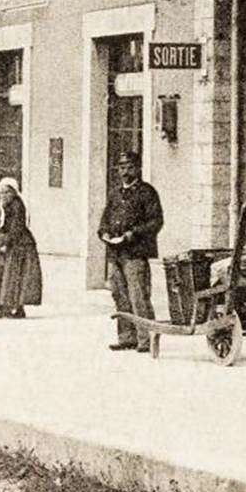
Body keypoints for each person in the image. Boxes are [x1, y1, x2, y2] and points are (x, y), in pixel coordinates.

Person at [98, 150, 162, 353]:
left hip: (135, 254)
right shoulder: (115, 194)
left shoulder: (147, 192)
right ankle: (126, 337)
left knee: (138, 296)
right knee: (119, 295)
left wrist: (132, 234)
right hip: (115, 254)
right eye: (122, 167)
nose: (125, 172)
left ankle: (146, 339)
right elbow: (105, 219)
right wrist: (104, 233)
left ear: (138, 168)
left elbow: (156, 222)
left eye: (129, 167)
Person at [0, 176, 44, 319]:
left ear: (14, 192)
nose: (4, 195)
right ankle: (0, 306)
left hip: (18, 244)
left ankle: (16, 307)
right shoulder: (4, 205)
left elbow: (16, 227)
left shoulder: (17, 205)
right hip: (5, 240)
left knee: (14, 275)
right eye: (1, 193)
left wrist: (6, 243)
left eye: (7, 192)